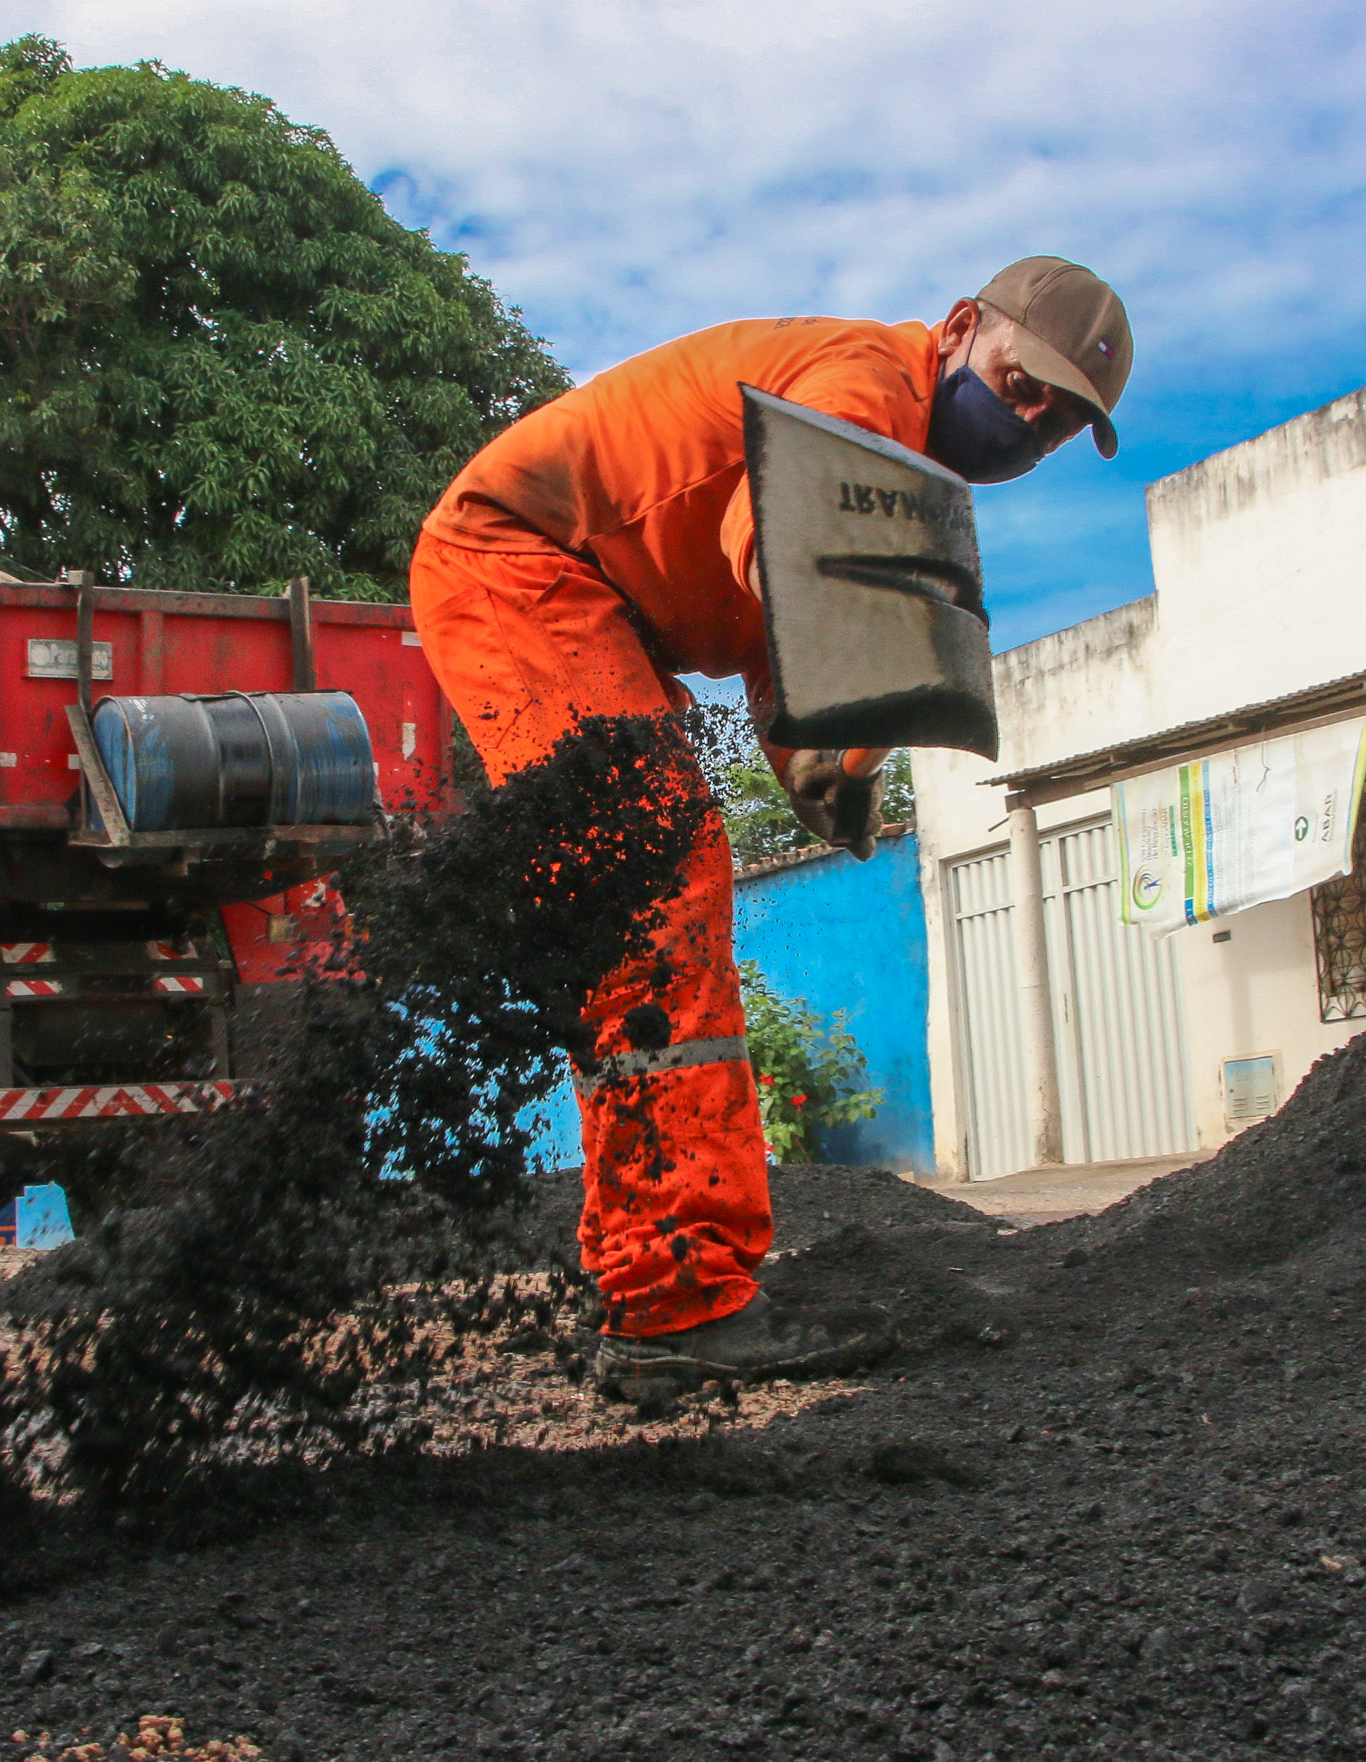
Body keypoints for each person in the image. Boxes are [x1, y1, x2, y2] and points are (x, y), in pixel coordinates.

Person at [412, 257, 1134, 1397]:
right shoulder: (864, 393)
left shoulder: (877, 469)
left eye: (1057, 424)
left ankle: (672, 1276)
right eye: (1022, 384)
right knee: (653, 881)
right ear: (956, 330)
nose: (1027, 425)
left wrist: (832, 764)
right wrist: (847, 674)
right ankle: (671, 1300)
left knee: (654, 880)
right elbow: (786, 549)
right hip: (516, 561)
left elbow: (775, 637)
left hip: (592, 593)